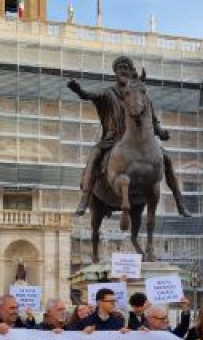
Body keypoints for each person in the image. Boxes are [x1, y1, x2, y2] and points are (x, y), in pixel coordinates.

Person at [67, 55, 189, 218]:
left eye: (126, 68)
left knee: (166, 158)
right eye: (120, 68)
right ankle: (84, 198)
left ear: (131, 72)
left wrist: (160, 131)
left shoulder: (141, 94)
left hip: (139, 141)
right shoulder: (108, 93)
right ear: (115, 73)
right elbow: (90, 95)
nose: (123, 71)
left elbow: (152, 119)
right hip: (113, 139)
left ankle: (179, 201)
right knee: (94, 155)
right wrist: (78, 90)